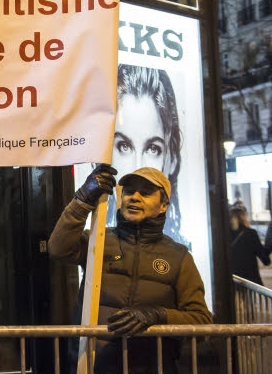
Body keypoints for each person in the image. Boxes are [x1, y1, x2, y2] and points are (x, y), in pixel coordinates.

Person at [48, 165, 212, 373]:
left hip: (152, 367)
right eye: (128, 191)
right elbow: (58, 248)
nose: (134, 197)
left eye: (145, 193)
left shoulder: (179, 257)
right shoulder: (98, 240)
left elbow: (202, 322)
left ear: (163, 206)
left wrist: (157, 315)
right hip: (94, 366)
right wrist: (82, 199)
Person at [108, 64, 187, 246]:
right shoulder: (98, 245)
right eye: (124, 146)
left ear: (172, 158)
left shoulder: (179, 258)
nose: (138, 168)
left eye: (153, 148)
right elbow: (59, 248)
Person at [229, 203, 270, 285]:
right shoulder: (251, 234)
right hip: (250, 282)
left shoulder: (225, 236)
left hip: (233, 282)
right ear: (244, 217)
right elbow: (265, 260)